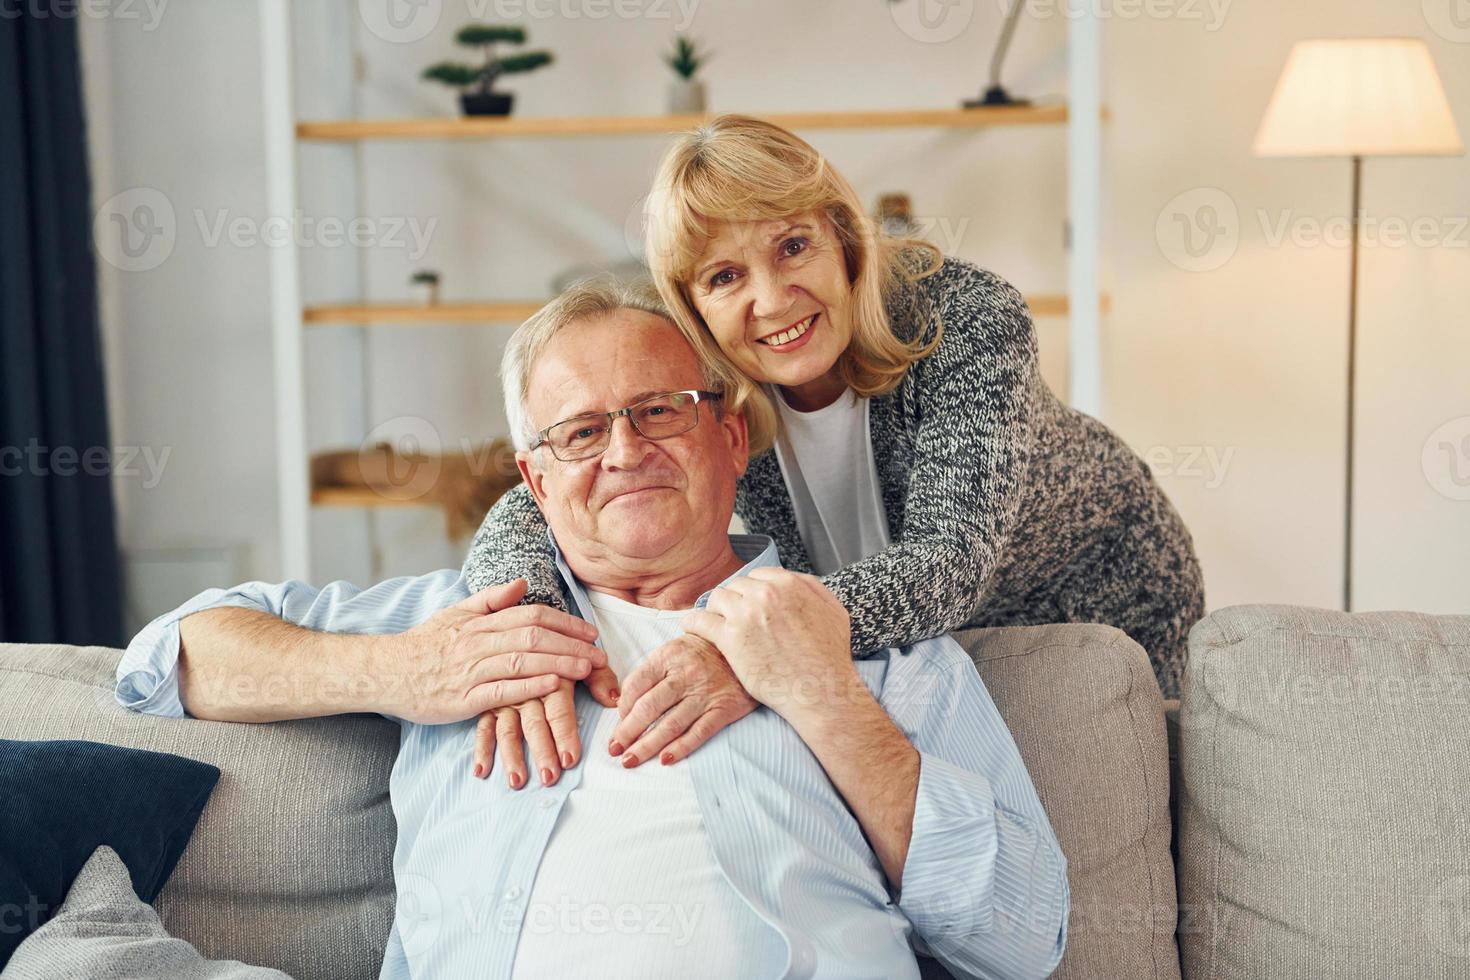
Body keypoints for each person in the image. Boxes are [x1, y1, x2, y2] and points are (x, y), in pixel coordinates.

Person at [115, 279, 1069, 980]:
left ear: (731, 439)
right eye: (579, 431)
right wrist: (401, 669)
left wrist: (822, 695)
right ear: (535, 482)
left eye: (660, 411)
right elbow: (173, 656)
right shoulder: (461, 625)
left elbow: (1024, 936)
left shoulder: (878, 649)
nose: (624, 453)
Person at [462, 114, 1205, 781]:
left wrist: (746, 649)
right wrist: (529, 641)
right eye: (726, 276)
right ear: (692, 305)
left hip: (1097, 612)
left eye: (793, 247)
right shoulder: (701, 383)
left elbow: (947, 568)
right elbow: (542, 489)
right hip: (911, 655)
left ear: (844, 241)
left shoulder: (964, 319)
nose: (774, 299)